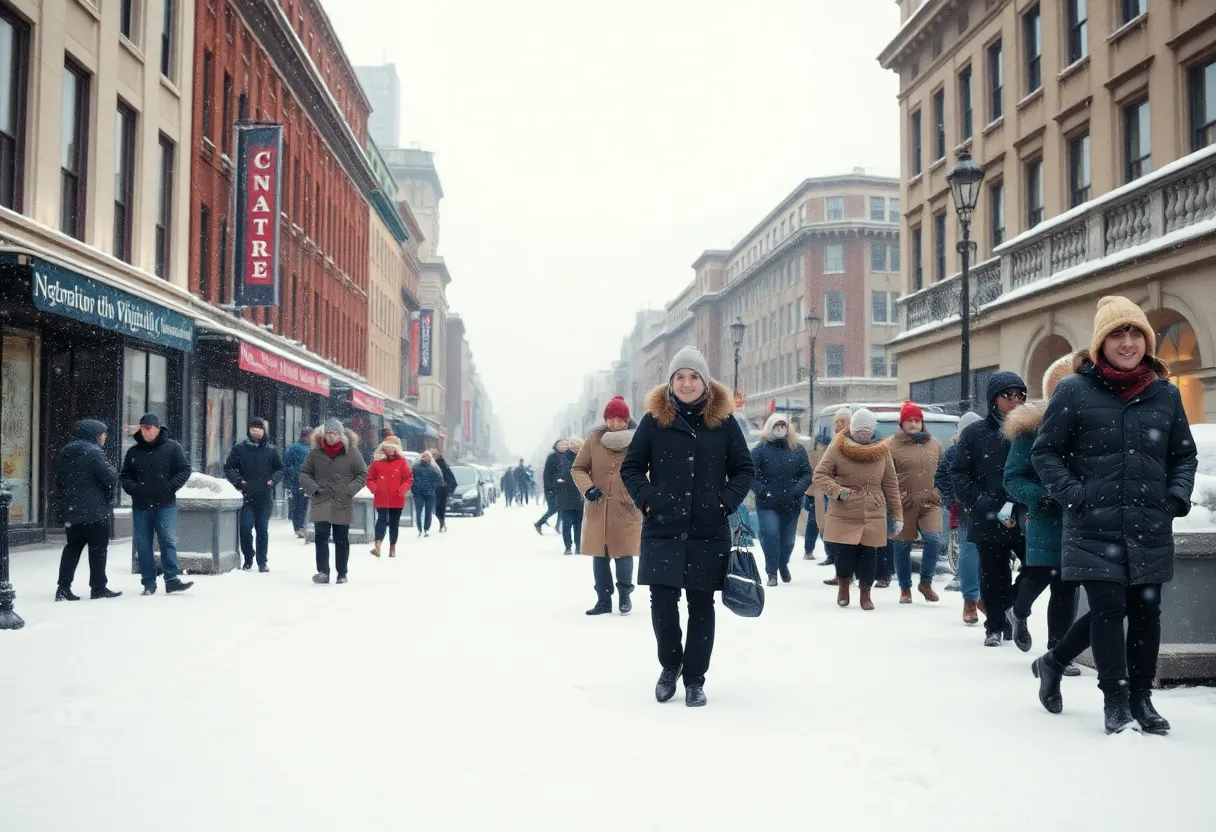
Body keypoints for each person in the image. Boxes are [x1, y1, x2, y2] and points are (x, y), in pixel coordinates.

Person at [1031, 297, 1196, 734]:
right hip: (1092, 522)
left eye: (1136, 333)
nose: (1128, 342)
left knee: (1146, 610)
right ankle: (1117, 700)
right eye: (1117, 334)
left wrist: (1175, 497)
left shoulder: (1166, 394)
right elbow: (1045, 452)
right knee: (1108, 608)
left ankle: (1132, 694)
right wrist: (1075, 495)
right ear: (1101, 343)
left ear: (1147, 340)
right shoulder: (1074, 390)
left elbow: (1183, 456)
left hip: (1148, 523)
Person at [620, 346, 754, 707]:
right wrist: (648, 499)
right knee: (662, 602)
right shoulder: (654, 420)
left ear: (705, 382)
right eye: (680, 376)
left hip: (707, 530)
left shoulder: (724, 423)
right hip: (663, 526)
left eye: (694, 376)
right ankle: (670, 665)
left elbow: (745, 469)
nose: (687, 383)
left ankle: (695, 678)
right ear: (671, 382)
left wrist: (724, 501)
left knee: (701, 604)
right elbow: (630, 468)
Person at [1002, 355, 1081, 674]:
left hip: (1079, 518)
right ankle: (1018, 612)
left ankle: (1057, 652)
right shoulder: (1031, 430)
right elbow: (1012, 477)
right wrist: (1041, 496)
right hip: (1045, 516)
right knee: (1040, 575)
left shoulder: (1091, 426)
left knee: (1067, 585)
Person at [952, 371, 1028, 646]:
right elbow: (958, 473)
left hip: (1023, 513)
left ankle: (1013, 604)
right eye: (1007, 395)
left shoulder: (1030, 431)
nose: (1014, 401)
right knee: (992, 572)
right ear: (993, 398)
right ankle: (995, 626)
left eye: (1020, 395)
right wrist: (979, 500)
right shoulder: (975, 433)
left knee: (1037, 565)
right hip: (987, 511)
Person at [813, 408, 902, 610]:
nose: (865, 433)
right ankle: (843, 586)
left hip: (874, 508)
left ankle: (865, 593)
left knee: (870, 554)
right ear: (852, 429)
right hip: (845, 508)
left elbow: (890, 483)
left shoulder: (882, 450)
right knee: (844, 553)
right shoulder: (837, 447)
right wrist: (837, 490)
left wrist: (897, 514)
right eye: (860, 429)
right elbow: (821, 474)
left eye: (868, 429)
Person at [571, 396, 642, 616]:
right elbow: (578, 468)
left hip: (626, 507)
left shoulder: (639, 440)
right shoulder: (594, 438)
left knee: (624, 553)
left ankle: (624, 595)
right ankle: (603, 599)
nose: (614, 424)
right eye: (610, 419)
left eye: (620, 419)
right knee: (599, 555)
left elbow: (648, 469)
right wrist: (588, 488)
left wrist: (637, 492)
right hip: (598, 506)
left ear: (626, 419)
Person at [120, 413, 194, 596]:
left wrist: (171, 487)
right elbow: (125, 475)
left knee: (167, 541)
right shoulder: (133, 452)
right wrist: (134, 489)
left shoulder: (172, 448)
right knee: (143, 545)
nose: (146, 432)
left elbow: (184, 469)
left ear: (157, 428)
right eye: (143, 428)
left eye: (149, 428)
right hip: (141, 506)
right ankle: (148, 583)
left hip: (165, 504)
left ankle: (172, 580)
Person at [55, 419, 121, 601]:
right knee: (98, 548)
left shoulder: (65, 451)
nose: (105, 437)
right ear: (96, 435)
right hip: (94, 511)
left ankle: (63, 588)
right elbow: (111, 477)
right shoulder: (94, 452)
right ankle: (98, 587)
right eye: (103, 434)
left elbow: (59, 480)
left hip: (72, 510)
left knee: (72, 548)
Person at [888, 402, 944, 604]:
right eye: (910, 421)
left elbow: (943, 472)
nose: (914, 424)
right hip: (903, 503)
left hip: (930, 502)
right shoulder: (890, 445)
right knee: (902, 546)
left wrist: (940, 491)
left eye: (917, 420)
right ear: (902, 423)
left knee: (934, 540)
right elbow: (885, 476)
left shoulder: (935, 444)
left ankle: (926, 582)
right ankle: (905, 588)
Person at [299, 418, 367, 584]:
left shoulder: (351, 451)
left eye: (335, 433)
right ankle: (323, 571)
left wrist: (349, 489)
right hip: (321, 498)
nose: (331, 436)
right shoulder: (315, 452)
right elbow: (304, 473)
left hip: (342, 500)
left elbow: (362, 474)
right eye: (328, 432)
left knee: (341, 538)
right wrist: (314, 488)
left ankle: (342, 573)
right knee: (321, 536)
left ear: (341, 435)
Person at [751, 412, 813, 587]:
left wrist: (798, 490)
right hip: (767, 503)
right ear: (770, 428)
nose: (780, 429)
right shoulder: (760, 450)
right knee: (770, 534)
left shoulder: (797, 450)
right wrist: (762, 491)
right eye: (776, 426)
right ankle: (771, 572)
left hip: (790, 502)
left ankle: (782, 563)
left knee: (787, 540)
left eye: (783, 426)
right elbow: (750, 475)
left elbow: (806, 473)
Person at [937, 411, 983, 622]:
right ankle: (971, 600)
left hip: (990, 508)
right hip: (966, 508)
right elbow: (942, 477)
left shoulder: (990, 448)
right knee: (969, 552)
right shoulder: (954, 452)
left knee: (991, 555)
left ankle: (990, 599)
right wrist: (953, 499)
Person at [224, 417, 284, 573]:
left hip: (264, 497)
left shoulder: (271, 450)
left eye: (259, 428)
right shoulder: (240, 449)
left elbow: (280, 469)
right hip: (246, 497)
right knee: (245, 528)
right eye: (253, 428)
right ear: (249, 430)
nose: (256, 431)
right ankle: (249, 558)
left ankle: (262, 561)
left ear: (264, 431)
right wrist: (239, 481)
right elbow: (229, 467)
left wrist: (273, 480)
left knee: (262, 530)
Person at [815, 407, 852, 570]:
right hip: (832, 489)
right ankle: (837, 563)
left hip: (847, 492)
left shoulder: (849, 440)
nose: (838, 425)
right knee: (830, 529)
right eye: (836, 422)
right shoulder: (834, 440)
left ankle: (845, 572)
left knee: (844, 533)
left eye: (840, 421)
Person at [367, 435, 413, 557]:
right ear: (383, 448)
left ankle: (392, 546)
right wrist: (375, 489)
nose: (390, 450)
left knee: (394, 522)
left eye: (392, 448)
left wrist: (402, 490)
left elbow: (408, 479)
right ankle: (378, 544)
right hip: (381, 497)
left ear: (397, 449)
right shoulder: (376, 463)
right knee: (381, 520)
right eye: (387, 447)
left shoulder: (402, 462)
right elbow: (369, 479)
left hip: (397, 498)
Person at [555, 436, 585, 554]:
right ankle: (578, 547)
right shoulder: (584, 459)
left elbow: (557, 478)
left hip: (565, 497)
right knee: (578, 524)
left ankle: (568, 547)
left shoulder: (562, 459)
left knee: (567, 524)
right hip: (578, 496)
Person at [283, 428, 313, 538]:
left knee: (300, 504)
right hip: (300, 480)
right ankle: (299, 527)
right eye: (310, 436)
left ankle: (300, 526)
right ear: (304, 436)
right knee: (300, 504)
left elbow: (287, 466)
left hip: (301, 480)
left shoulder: (296, 448)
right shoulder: (299, 449)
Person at [535, 440, 566, 534]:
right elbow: (547, 474)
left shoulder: (564, 456)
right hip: (551, 489)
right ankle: (539, 523)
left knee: (561, 508)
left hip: (561, 487)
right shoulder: (552, 457)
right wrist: (551, 487)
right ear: (556, 446)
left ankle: (557, 525)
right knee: (553, 508)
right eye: (560, 445)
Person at [410, 452, 442, 536]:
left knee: (428, 512)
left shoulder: (433, 468)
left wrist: (433, 487)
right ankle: (420, 529)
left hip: (430, 493)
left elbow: (439, 479)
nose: (426, 458)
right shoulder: (415, 468)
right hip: (418, 493)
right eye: (424, 456)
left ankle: (426, 529)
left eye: (428, 457)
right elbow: (410, 479)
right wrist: (414, 489)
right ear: (421, 458)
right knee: (419, 511)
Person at [433, 451, 458, 532]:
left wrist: (446, 488)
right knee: (438, 509)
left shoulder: (442, 466)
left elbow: (451, 480)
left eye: (434, 455)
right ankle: (442, 523)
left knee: (439, 508)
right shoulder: (433, 465)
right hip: (438, 491)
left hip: (441, 491)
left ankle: (442, 523)